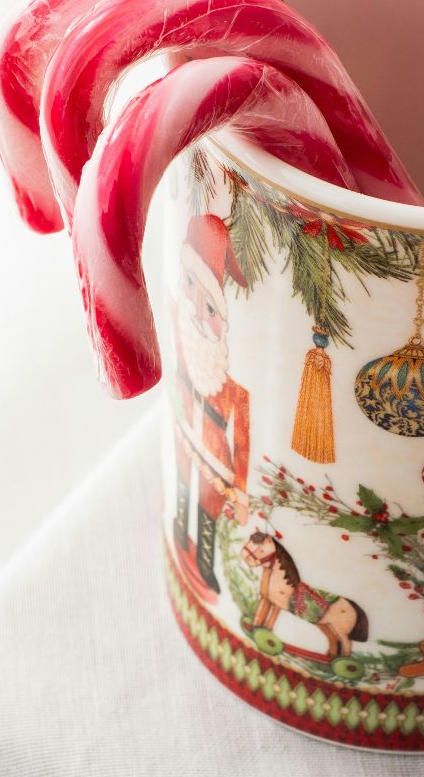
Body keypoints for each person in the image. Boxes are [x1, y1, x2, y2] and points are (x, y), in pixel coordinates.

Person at [171, 214, 251, 596]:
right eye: (190, 286)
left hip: (217, 457)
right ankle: (177, 529)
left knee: (210, 513)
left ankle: (206, 563)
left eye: (212, 309)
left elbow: (244, 441)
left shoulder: (233, 388)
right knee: (184, 488)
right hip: (185, 431)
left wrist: (242, 491)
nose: (200, 315)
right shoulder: (180, 332)